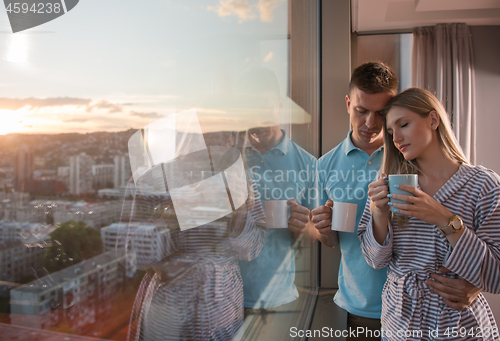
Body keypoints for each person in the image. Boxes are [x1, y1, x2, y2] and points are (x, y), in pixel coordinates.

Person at [311, 62, 481, 340]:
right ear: (348, 103)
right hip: (361, 305)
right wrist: (324, 228)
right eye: (361, 110)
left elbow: (464, 222)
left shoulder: (415, 155)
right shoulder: (325, 166)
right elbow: (331, 241)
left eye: (381, 113)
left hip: (430, 307)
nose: (370, 123)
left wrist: (476, 280)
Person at [358, 87, 500, 340]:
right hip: (399, 328)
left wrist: (444, 219)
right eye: (391, 132)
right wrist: (378, 213)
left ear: (433, 120)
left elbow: (496, 275)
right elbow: (375, 261)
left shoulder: (485, 186)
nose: (396, 138)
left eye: (404, 125)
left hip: (459, 328)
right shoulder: (389, 183)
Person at [123, 125, 267, 341]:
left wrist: (238, 215)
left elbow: (253, 249)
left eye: (224, 133)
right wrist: (175, 216)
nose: (216, 141)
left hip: (223, 311)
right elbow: (136, 257)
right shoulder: (150, 180)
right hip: (167, 313)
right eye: (205, 131)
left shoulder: (241, 179)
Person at [237, 67, 318, 311]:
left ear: (280, 104)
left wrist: (305, 227)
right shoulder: (227, 159)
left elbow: (313, 235)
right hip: (224, 298)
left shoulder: (308, 164)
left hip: (279, 301)